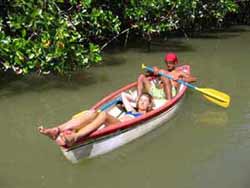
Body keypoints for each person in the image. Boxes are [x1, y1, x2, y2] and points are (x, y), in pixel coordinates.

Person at [38, 93, 153, 147]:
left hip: (124, 126)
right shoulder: (132, 110)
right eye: (140, 100)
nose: (141, 102)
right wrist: (135, 98)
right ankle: (57, 130)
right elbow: (123, 95)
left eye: (145, 101)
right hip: (115, 125)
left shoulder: (146, 115)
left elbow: (155, 110)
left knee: (103, 114)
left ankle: (76, 137)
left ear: (149, 105)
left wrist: (148, 106)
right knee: (92, 112)